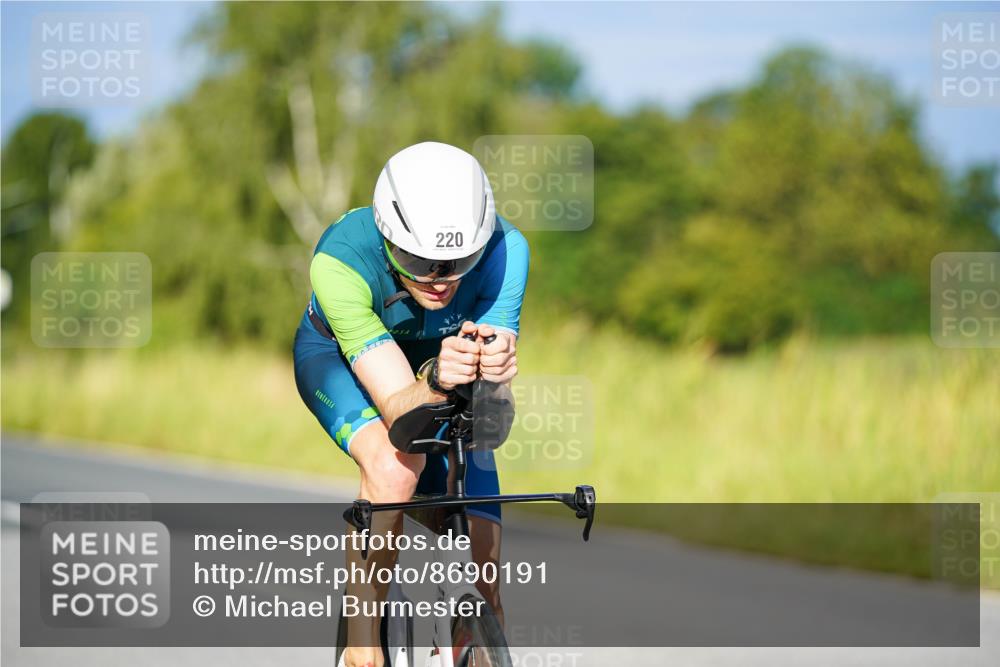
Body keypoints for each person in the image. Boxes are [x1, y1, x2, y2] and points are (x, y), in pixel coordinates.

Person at [293, 141, 528, 667]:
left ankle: (480, 633)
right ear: (386, 233)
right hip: (341, 359)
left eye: (458, 260)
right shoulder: (340, 262)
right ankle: (361, 648)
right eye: (419, 260)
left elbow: (491, 421)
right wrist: (440, 380)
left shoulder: (507, 250)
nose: (440, 279)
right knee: (396, 469)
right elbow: (400, 408)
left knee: (477, 519)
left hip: (436, 362)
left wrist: (494, 385)